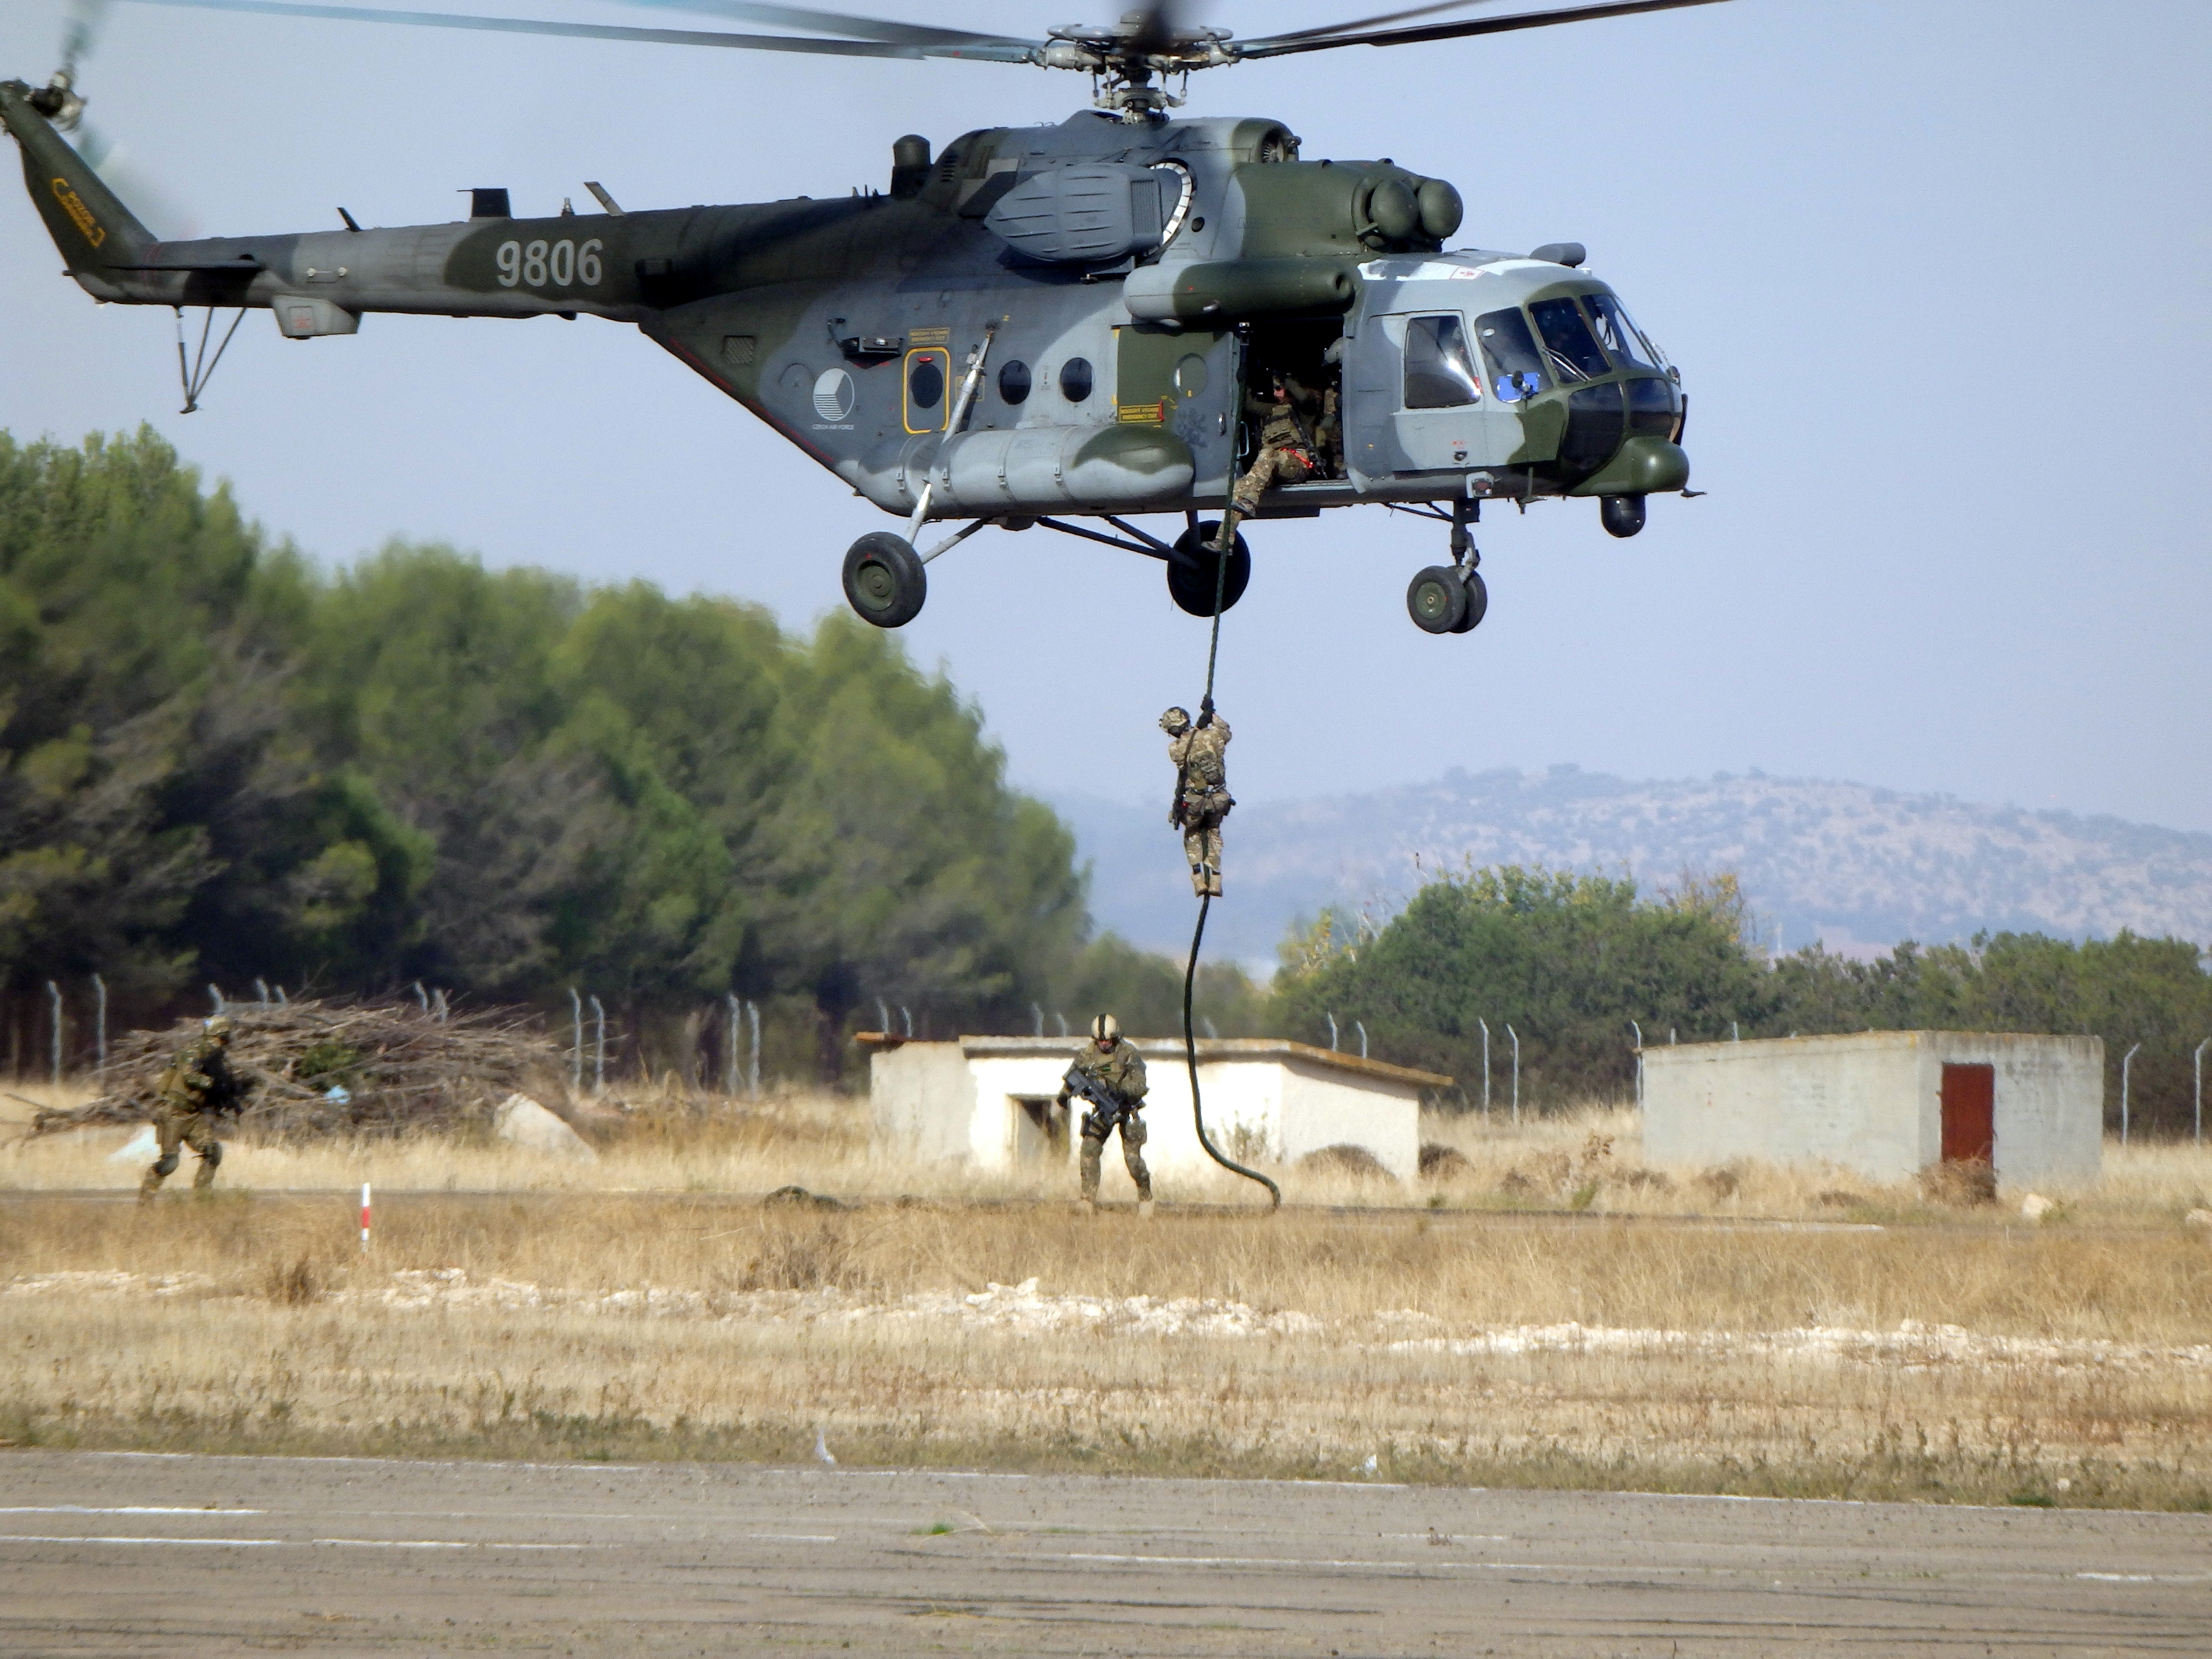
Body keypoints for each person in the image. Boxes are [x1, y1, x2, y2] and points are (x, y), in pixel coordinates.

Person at [139, 1015, 254, 1201]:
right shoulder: (194, 1050)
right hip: (173, 1113)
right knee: (170, 1162)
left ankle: (202, 1196)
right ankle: (146, 1198)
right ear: (221, 1033)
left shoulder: (217, 1055)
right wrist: (212, 1084)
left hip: (193, 1115)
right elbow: (189, 1075)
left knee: (213, 1151)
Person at [1216, 370, 1322, 553]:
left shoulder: (1305, 408)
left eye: (1279, 389)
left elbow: (1304, 398)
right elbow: (1249, 405)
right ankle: (1224, 540)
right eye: (1274, 389)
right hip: (1275, 467)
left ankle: (1249, 501)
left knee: (1268, 454)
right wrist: (1244, 382)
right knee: (1241, 486)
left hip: (1298, 463)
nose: (1276, 394)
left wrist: (1287, 379)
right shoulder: (1273, 410)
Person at [1058, 1013, 1151, 1215]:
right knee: (1089, 1151)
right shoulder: (1088, 1054)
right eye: (1100, 1040)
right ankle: (1087, 1201)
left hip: (1126, 1110)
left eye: (1108, 1040)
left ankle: (1146, 1198)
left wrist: (1118, 1089)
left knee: (1133, 1160)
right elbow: (1072, 1078)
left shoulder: (1128, 1053)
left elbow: (1140, 1085)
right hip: (1102, 1111)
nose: (1104, 1044)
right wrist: (1064, 1097)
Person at [1162, 701, 1232, 898]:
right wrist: (1212, 715)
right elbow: (1226, 732)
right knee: (1214, 833)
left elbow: (1185, 755)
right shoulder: (1213, 735)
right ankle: (1216, 879)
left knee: (1192, 833)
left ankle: (1198, 877)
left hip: (1195, 801)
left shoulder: (1176, 749)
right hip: (1218, 797)